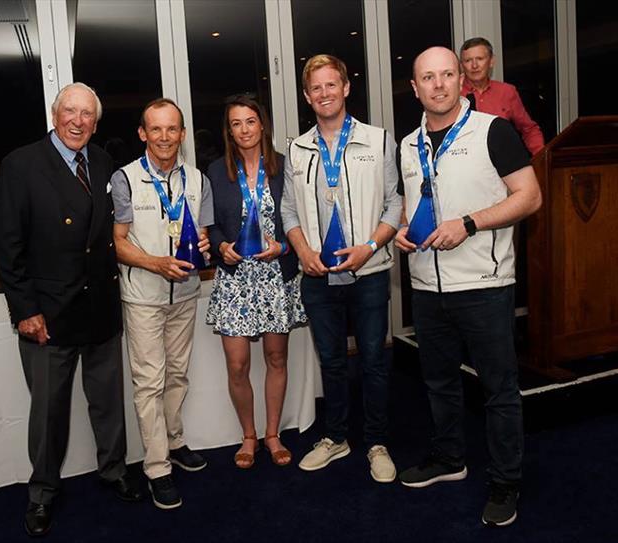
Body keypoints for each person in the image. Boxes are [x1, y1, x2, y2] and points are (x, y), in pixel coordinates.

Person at [394, 47, 542, 526]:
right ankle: (449, 458)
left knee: (498, 390)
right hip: (427, 287)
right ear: (414, 87)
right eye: (427, 78)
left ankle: (505, 482)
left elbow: (530, 196)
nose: (438, 85)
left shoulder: (493, 131)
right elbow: (415, 204)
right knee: (438, 381)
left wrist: (471, 223)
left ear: (462, 80)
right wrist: (400, 228)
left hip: (484, 284)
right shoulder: (407, 144)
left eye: (446, 75)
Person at [0, 82, 143, 538]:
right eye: (70, 112)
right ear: (54, 115)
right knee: (48, 413)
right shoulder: (22, 164)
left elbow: (113, 233)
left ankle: (114, 469)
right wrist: (25, 310)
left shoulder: (101, 162)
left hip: (99, 306)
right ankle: (42, 493)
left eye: (87, 115)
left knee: (107, 402)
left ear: (96, 123)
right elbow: (8, 245)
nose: (78, 121)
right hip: (48, 315)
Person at [282, 54, 402, 483]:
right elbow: (289, 210)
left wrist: (370, 246)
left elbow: (395, 202)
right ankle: (336, 437)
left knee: (372, 361)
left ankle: (376, 442)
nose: (325, 93)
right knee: (331, 361)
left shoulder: (378, 140)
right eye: (316, 88)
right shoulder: (297, 149)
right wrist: (302, 251)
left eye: (332, 85)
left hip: (368, 273)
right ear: (306, 96)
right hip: (317, 276)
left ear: (347, 87)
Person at [110, 98, 213, 510]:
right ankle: (157, 468)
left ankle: (174, 441)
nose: (165, 137)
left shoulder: (197, 180)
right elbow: (117, 243)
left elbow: (200, 237)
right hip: (144, 297)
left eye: (172, 129)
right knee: (149, 382)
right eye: (156, 129)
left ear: (183, 134)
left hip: (185, 293)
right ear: (142, 133)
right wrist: (155, 263)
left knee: (178, 375)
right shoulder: (126, 179)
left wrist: (204, 246)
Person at [205, 95, 307, 469]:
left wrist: (283, 246)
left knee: (277, 358)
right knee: (237, 366)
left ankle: (272, 434)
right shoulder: (216, 172)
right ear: (229, 131)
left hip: (275, 276)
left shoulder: (285, 167)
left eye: (250, 121)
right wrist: (221, 247)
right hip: (235, 280)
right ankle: (248, 435)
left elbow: (301, 218)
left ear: (262, 124)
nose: (244, 130)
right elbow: (210, 224)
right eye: (236, 123)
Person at [459, 37, 545, 155]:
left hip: (503, 165)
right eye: (468, 60)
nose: (474, 65)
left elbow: (529, 129)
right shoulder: (453, 94)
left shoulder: (507, 91)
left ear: (491, 61)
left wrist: (541, 158)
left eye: (480, 59)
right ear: (461, 65)